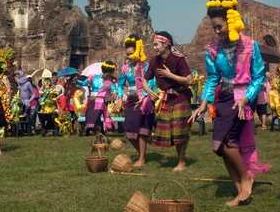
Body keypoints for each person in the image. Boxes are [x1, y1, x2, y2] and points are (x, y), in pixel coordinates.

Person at [190, 0, 271, 206]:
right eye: (214, 27)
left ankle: (246, 178)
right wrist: (203, 104)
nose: (217, 32)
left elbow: (259, 76)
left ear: (232, 21)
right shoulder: (213, 49)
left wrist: (246, 99)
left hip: (242, 98)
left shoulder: (250, 45)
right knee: (220, 145)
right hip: (224, 98)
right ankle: (240, 189)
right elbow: (213, 78)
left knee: (227, 143)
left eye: (220, 26)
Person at [143, 31, 194, 172]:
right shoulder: (154, 61)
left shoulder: (178, 59)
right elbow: (144, 81)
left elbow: (189, 80)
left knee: (178, 131)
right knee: (167, 131)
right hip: (166, 98)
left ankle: (181, 162)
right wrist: (149, 91)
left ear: (166, 44)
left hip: (180, 97)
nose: (154, 47)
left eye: (156, 44)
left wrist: (169, 75)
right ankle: (185, 138)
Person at [115, 34, 157, 167]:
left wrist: (144, 95)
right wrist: (120, 98)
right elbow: (120, 84)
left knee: (141, 130)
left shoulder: (146, 66)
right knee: (129, 130)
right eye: (127, 55)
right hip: (132, 99)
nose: (129, 57)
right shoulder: (125, 68)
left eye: (131, 53)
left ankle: (142, 159)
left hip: (144, 99)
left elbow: (151, 81)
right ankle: (142, 154)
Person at [77, 62, 117, 135]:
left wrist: (115, 91)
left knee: (94, 119)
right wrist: (76, 80)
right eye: (106, 72)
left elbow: (115, 89)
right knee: (91, 119)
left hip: (101, 103)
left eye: (109, 73)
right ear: (103, 70)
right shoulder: (93, 77)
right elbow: (84, 83)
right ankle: (98, 137)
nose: (107, 74)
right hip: (92, 101)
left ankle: (98, 136)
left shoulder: (109, 82)